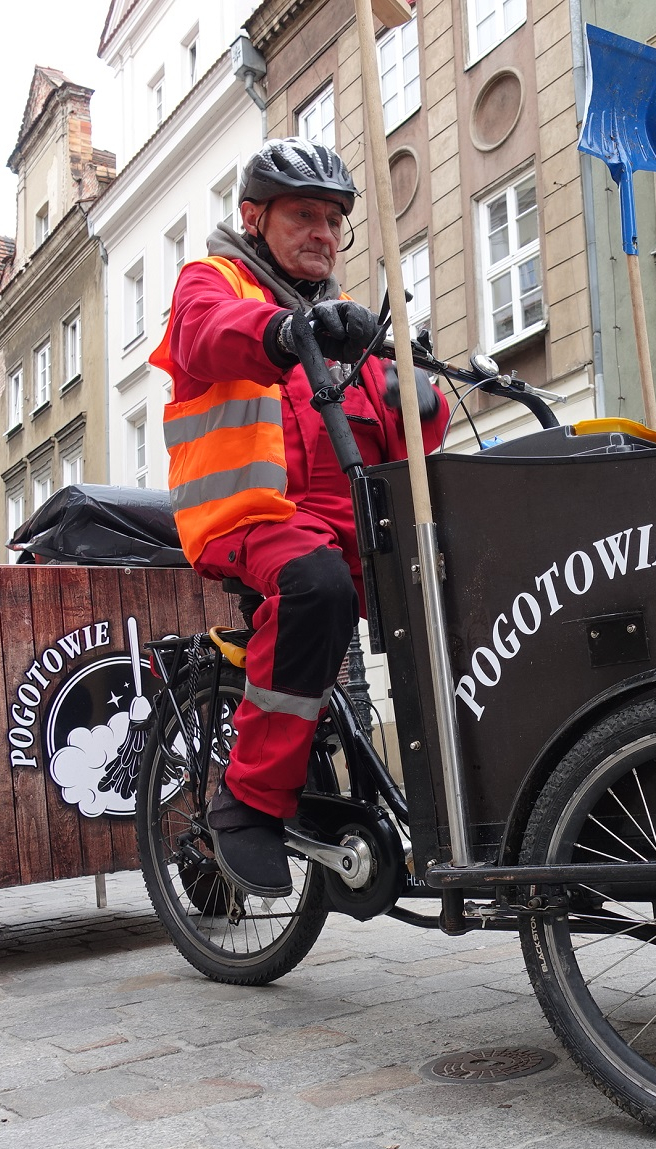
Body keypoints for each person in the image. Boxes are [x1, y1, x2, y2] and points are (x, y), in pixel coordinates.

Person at [150, 137, 447, 897]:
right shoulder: (213, 280)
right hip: (248, 513)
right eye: (304, 215)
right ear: (255, 218)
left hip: (348, 523)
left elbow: (399, 435)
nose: (323, 232)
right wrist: (283, 334)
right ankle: (248, 802)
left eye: (334, 220)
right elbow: (205, 336)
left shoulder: (342, 320)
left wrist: (424, 394)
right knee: (316, 587)